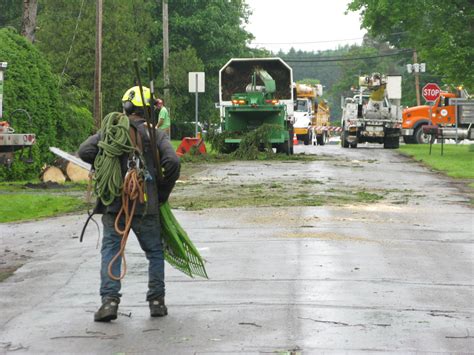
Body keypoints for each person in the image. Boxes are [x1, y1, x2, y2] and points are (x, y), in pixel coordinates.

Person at [78, 86, 180, 322]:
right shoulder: (155, 135)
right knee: (154, 251)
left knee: (111, 251)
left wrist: (106, 161)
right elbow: (172, 162)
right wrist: (160, 194)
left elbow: (85, 151)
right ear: (149, 110)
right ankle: (156, 302)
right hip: (146, 204)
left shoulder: (111, 132)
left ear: (126, 107)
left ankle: (109, 303)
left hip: (114, 205)